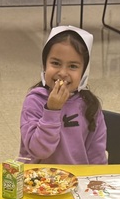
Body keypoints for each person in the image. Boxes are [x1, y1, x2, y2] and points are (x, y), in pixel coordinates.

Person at [19, 25, 108, 165]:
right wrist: (52, 110)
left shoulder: (90, 106)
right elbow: (39, 151)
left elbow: (97, 156)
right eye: (55, 63)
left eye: (73, 66)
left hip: (76, 181)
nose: (63, 73)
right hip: (37, 180)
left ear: (84, 72)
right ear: (44, 65)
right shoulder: (34, 101)